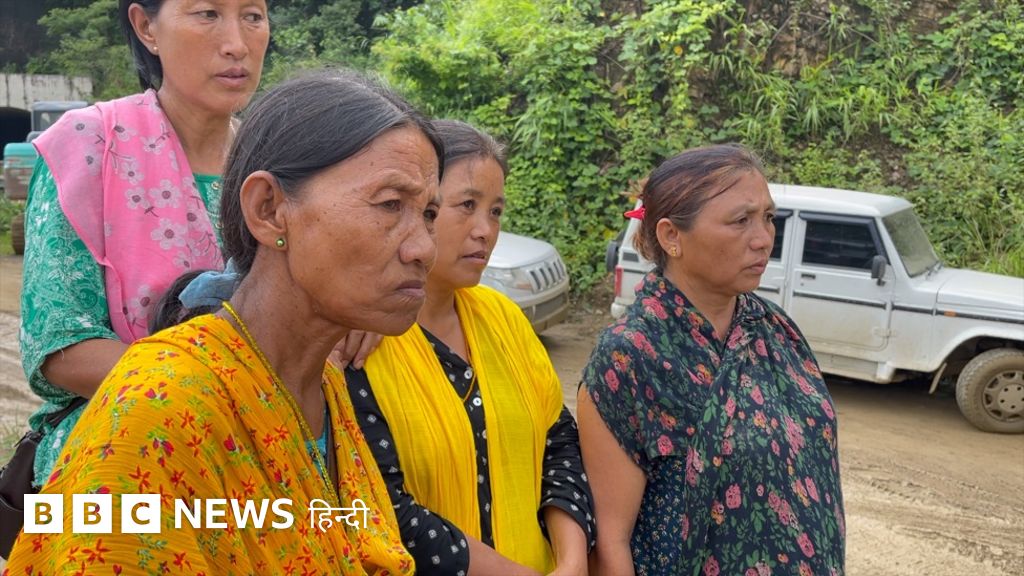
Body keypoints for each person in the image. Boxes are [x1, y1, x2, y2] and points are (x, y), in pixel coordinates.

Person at [4, 70, 443, 574]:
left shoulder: (321, 384)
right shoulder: (158, 412)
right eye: (390, 205)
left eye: (429, 214)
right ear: (268, 209)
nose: (423, 249)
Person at [18, 0, 270, 489]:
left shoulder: (276, 165)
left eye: (253, 16)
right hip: (123, 454)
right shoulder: (89, 145)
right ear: (145, 26)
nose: (237, 44)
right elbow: (60, 348)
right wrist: (223, 386)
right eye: (207, 13)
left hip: (265, 448)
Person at [578, 145, 845, 576]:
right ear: (672, 236)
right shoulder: (630, 357)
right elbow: (610, 542)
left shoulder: (777, 330)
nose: (763, 239)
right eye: (741, 221)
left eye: (768, 218)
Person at [345, 120, 595, 576]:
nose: (485, 230)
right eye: (466, 205)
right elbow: (381, 508)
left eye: (495, 211)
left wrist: (572, 561)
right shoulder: (360, 341)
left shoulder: (504, 319)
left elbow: (557, 444)